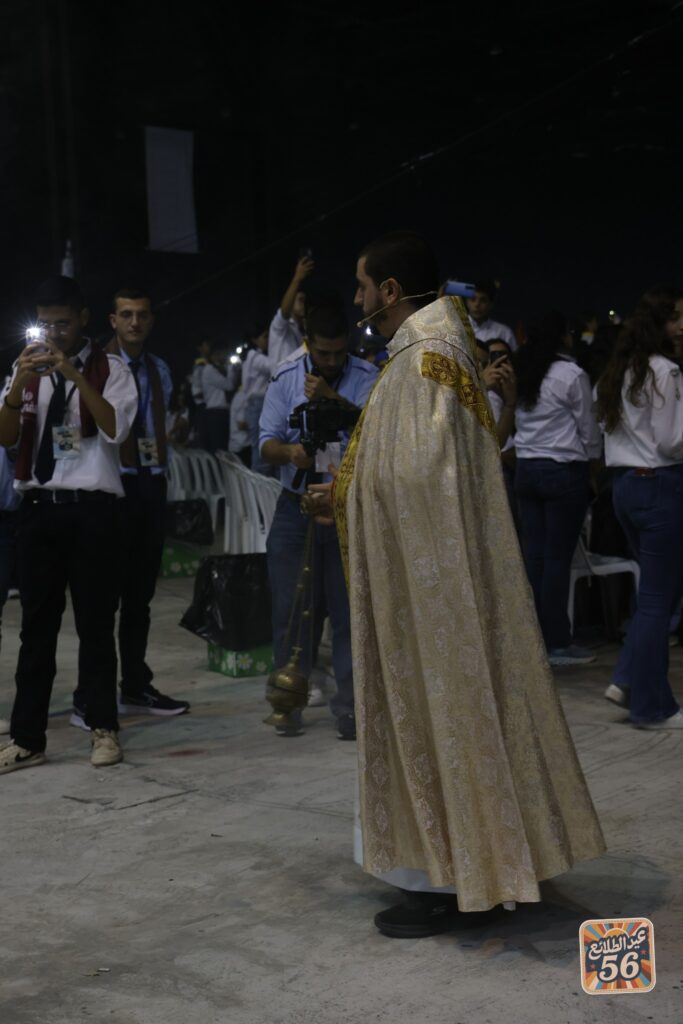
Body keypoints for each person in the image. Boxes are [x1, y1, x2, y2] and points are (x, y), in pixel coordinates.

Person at [307, 231, 605, 938]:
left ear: (388, 290)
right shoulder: (440, 351)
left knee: (442, 707)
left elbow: (416, 479)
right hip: (445, 574)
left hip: (431, 586)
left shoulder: (424, 360)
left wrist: (342, 493)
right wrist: (352, 486)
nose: (356, 297)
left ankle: (448, 881)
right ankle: (492, 864)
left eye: (363, 285)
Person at [0, 275, 138, 774]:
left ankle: (103, 728)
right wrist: (18, 385)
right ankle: (27, 739)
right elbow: (6, 437)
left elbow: (115, 428)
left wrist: (75, 376)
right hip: (39, 508)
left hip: (92, 510)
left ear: (83, 319)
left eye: (62, 323)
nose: (54, 333)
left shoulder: (112, 369)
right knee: (36, 629)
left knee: (96, 625)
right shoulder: (26, 369)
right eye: (46, 324)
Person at [72, 287, 190, 727]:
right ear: (112, 320)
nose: (135, 322)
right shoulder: (96, 366)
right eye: (126, 315)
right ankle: (89, 695)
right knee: (100, 600)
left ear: (151, 320)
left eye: (142, 314)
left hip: (151, 484)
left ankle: (135, 685)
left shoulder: (160, 368)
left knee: (140, 597)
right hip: (110, 488)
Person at [259, 300, 378, 739]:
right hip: (297, 504)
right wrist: (292, 452)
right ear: (308, 344)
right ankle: (287, 701)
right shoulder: (286, 377)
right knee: (291, 609)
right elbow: (265, 443)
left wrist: (333, 400)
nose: (330, 361)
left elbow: (377, 432)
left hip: (346, 505)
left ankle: (351, 707)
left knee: (349, 611)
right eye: (323, 353)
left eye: (338, 353)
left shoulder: (367, 377)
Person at [596, 285, 683, 729]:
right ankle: (652, 707)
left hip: (625, 487)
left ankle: (631, 679)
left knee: (653, 596)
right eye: (676, 317)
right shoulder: (664, 371)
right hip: (658, 485)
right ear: (658, 325)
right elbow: (670, 442)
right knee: (657, 603)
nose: (682, 325)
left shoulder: (620, 371)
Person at [514, 312, 601, 666]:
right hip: (563, 470)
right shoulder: (571, 374)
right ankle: (557, 642)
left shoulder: (523, 370)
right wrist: (593, 463)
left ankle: (532, 639)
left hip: (526, 468)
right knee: (556, 560)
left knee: (535, 558)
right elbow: (588, 428)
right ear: (562, 337)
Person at [268, 254, 314, 371]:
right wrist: (297, 277)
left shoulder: (302, 329)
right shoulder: (279, 327)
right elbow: (284, 311)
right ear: (291, 300)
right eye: (300, 300)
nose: (304, 304)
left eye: (305, 301)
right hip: (280, 380)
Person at [242, 324, 272, 473]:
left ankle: (258, 482)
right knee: (262, 446)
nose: (268, 340)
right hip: (259, 402)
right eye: (265, 336)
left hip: (254, 403)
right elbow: (274, 367)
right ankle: (261, 483)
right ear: (255, 339)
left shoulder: (250, 356)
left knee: (258, 445)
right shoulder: (256, 357)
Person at [201, 346, 236, 454]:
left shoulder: (219, 369)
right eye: (220, 354)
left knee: (222, 445)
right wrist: (230, 368)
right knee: (219, 447)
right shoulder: (209, 370)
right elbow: (229, 385)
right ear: (213, 356)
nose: (223, 356)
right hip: (215, 412)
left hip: (220, 412)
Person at [466, 279, 517, 351]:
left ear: (491, 304)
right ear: (467, 302)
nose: (477, 304)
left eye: (483, 300)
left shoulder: (504, 332)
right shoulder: (456, 328)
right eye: (473, 299)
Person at [190, 336, 211, 444]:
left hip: (211, 405)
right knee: (205, 437)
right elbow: (196, 390)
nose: (209, 347)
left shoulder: (210, 363)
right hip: (203, 405)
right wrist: (209, 396)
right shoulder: (199, 365)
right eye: (206, 345)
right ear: (200, 348)